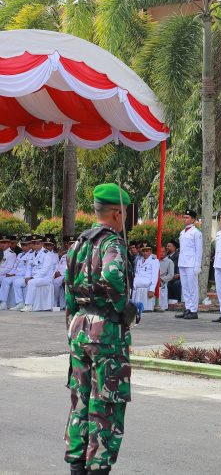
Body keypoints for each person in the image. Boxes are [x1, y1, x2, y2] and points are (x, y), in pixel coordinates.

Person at [64, 183, 133, 474]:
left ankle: (77, 465)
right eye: (126, 213)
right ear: (117, 213)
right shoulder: (111, 243)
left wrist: (72, 327)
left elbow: (68, 291)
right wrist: (123, 308)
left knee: (80, 401)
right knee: (106, 403)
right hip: (106, 333)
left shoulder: (78, 243)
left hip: (79, 329)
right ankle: (99, 466)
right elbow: (112, 274)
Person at [16, 235, 57, 312]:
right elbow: (29, 267)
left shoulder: (47, 254)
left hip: (45, 278)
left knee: (31, 283)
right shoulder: (31, 254)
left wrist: (32, 278)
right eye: (33, 243)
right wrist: (27, 277)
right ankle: (20, 303)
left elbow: (45, 270)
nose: (35, 246)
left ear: (42, 244)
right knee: (17, 282)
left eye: (37, 243)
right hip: (33, 277)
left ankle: (29, 305)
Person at [175, 210, 202, 320]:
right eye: (184, 217)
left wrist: (197, 265)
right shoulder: (182, 232)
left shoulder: (196, 233)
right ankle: (188, 308)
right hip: (183, 262)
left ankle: (193, 310)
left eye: (187, 217)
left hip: (191, 263)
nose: (185, 219)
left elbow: (199, 250)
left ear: (193, 219)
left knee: (192, 287)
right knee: (185, 287)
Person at [1, 236, 32, 309]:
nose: (23, 247)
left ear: (30, 245)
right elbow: (15, 267)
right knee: (5, 279)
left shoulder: (31, 254)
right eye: (22, 245)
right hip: (16, 274)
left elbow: (27, 269)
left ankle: (20, 302)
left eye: (25, 245)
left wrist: (15, 274)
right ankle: (4, 302)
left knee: (11, 281)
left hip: (22, 275)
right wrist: (10, 273)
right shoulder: (20, 254)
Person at [132, 242, 159, 312]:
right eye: (143, 251)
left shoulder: (154, 261)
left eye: (147, 251)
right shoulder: (139, 261)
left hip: (146, 282)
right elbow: (137, 273)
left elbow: (155, 276)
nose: (145, 253)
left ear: (151, 251)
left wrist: (152, 290)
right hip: (137, 282)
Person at [0, 235, 17, 309]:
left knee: (4, 280)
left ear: (9, 244)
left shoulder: (11, 254)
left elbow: (8, 268)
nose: (2, 244)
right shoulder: (1, 252)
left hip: (5, 274)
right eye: (1, 242)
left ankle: (3, 303)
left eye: (5, 242)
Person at [157, 246, 173, 312]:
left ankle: (161, 305)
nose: (161, 253)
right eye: (160, 251)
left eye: (163, 251)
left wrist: (162, 279)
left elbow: (171, 275)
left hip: (163, 281)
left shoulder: (169, 262)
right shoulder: (155, 260)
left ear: (166, 252)